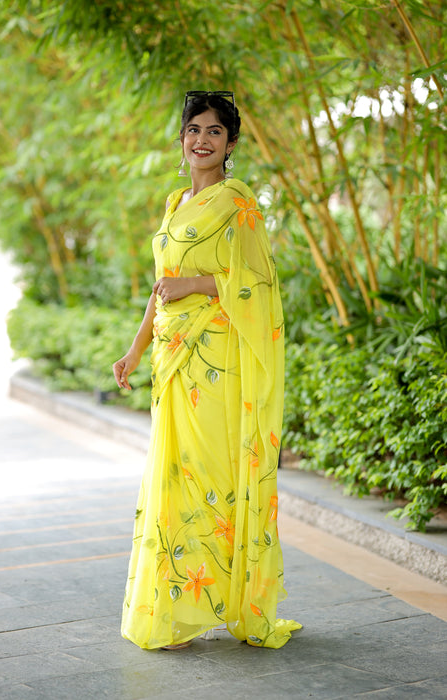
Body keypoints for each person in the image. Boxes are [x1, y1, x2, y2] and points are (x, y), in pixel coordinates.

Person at [113, 90, 302, 650]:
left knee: (212, 480)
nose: (202, 140)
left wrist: (194, 284)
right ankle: (179, 610)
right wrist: (133, 349)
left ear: (231, 143)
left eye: (214, 132)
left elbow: (258, 285)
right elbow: (159, 289)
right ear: (181, 138)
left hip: (218, 365)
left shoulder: (238, 206)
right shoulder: (175, 205)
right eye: (193, 129)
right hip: (172, 366)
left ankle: (224, 602)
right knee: (175, 480)